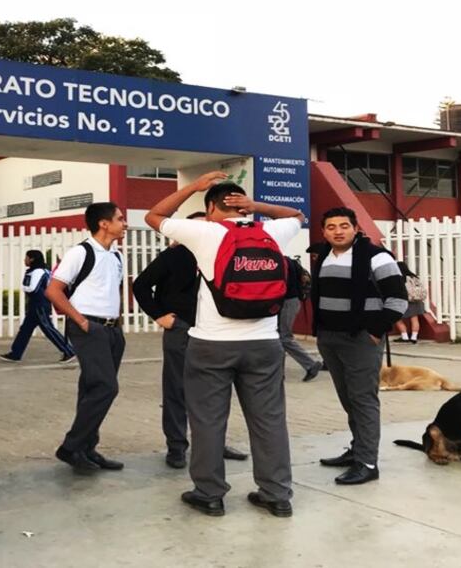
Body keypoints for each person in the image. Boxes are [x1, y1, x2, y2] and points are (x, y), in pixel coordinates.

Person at [145, 173, 305, 518]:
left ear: (209, 207)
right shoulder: (271, 232)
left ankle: (210, 494)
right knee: (269, 421)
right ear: (242, 204)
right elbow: (297, 216)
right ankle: (276, 495)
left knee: (208, 422)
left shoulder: (204, 231)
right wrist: (257, 207)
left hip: (211, 345)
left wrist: (192, 186)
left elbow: (153, 216)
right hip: (264, 343)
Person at [131, 212, 249, 469]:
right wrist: (160, 316)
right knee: (176, 389)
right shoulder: (175, 256)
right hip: (182, 329)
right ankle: (176, 447)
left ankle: (215, 443)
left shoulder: (223, 253)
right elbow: (140, 285)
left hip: (217, 330)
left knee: (216, 390)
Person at [311, 207, 408, 486]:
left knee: (363, 400)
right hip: (330, 338)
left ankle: (367, 462)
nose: (338, 231)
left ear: (355, 228)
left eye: (344, 226)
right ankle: (358, 449)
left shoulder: (376, 257)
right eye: (331, 227)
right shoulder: (324, 256)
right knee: (348, 399)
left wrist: (377, 329)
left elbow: (398, 299)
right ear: (324, 231)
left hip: (361, 339)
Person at [46, 202, 128, 475]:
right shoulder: (80, 253)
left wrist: (116, 324)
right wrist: (81, 321)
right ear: (104, 223)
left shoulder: (116, 255)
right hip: (88, 327)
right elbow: (54, 291)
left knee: (91, 389)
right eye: (119, 219)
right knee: (107, 387)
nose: (124, 223)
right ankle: (70, 447)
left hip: (112, 330)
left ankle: (86, 448)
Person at [0, 250, 75, 363]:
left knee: (48, 329)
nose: (25, 260)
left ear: (32, 259)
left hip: (39, 305)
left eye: (27, 257)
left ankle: (69, 351)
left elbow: (32, 288)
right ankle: (15, 353)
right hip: (38, 304)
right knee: (25, 329)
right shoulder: (43, 270)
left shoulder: (37, 272)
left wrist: (24, 287)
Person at [280, 256, 324, 382]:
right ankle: (279, 372)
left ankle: (310, 364)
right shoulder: (289, 260)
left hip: (287, 301)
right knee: (280, 337)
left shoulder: (283, 261)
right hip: (291, 301)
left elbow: (282, 284)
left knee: (284, 337)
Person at [394, 261, 427, 344]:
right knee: (414, 319)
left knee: (397, 318)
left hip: (404, 300)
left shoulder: (399, 277)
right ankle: (414, 337)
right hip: (416, 300)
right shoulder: (414, 277)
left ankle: (404, 336)